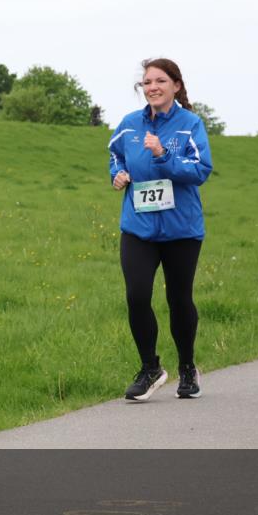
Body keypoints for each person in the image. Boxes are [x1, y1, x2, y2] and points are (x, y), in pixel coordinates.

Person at [108, 58, 213, 401]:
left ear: (176, 86)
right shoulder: (129, 124)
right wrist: (118, 174)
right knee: (137, 296)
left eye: (160, 81)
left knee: (178, 299)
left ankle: (186, 368)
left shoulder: (190, 124)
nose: (152, 87)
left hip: (181, 229)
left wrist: (163, 153)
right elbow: (116, 155)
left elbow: (200, 170)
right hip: (138, 226)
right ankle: (150, 368)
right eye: (147, 82)